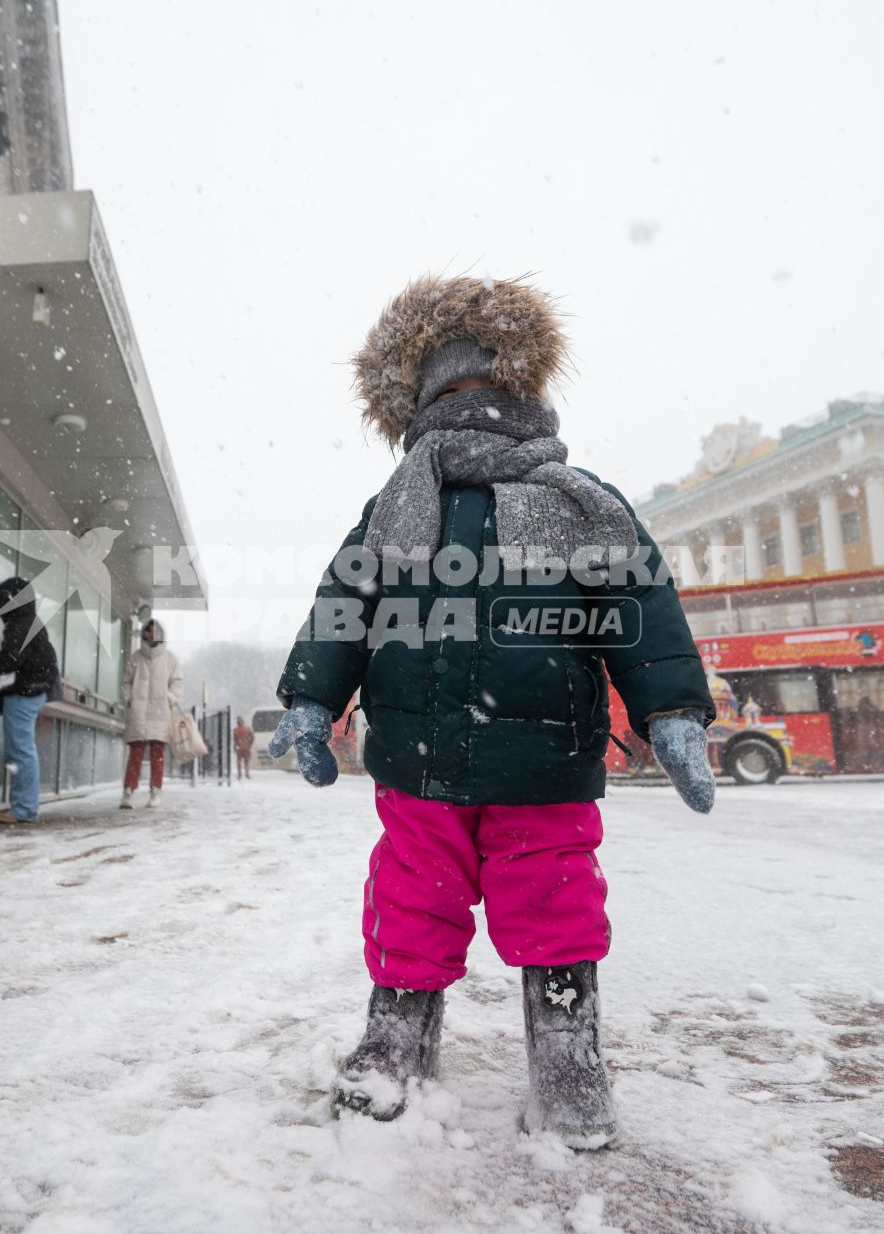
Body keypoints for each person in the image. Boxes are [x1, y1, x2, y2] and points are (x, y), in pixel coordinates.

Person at [267, 276, 717, 1147]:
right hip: (419, 760)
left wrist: (672, 708)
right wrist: (312, 697)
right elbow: (345, 603)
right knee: (410, 900)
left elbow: (640, 607)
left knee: (553, 908)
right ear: (423, 401)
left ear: (522, 391)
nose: (470, 406)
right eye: (452, 390)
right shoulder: (397, 504)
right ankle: (397, 1039)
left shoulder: (579, 498)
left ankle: (567, 1060)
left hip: (544, 765)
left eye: (485, 387)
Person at [0, 578, 59, 826]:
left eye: (2, 604)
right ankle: (24, 806)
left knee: (20, 751)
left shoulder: (20, 624)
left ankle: (23, 808)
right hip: (34, 691)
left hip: (25, 693)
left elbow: (8, 661)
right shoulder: (30, 622)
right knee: (23, 750)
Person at [118, 619, 182, 810]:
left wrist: (169, 698)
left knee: (157, 754)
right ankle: (128, 792)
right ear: (144, 634)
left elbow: (177, 683)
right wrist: (129, 699)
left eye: (155, 632)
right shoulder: (136, 657)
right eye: (148, 631)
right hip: (138, 712)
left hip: (160, 712)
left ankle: (155, 792)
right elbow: (126, 681)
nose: (151, 635)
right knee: (135, 754)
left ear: (161, 634)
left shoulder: (170, 658)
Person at [232, 715, 255, 781]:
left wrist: (235, 747)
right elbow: (252, 737)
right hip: (246, 748)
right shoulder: (248, 728)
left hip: (239, 748)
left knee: (239, 761)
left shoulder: (235, 730)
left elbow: (235, 740)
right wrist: (249, 744)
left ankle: (239, 774)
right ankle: (247, 773)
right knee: (246, 761)